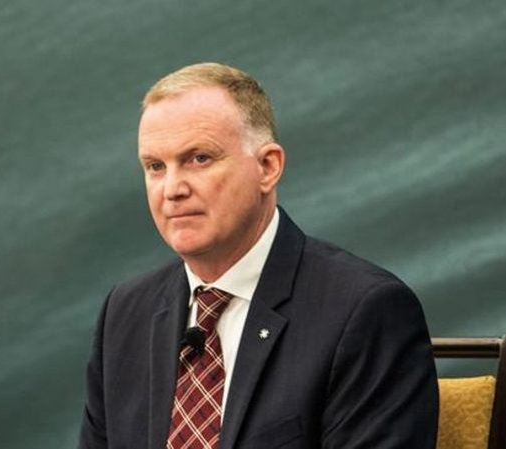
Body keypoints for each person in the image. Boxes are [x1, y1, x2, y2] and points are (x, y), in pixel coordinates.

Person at [78, 62, 438, 449]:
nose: (172, 189)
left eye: (199, 159)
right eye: (155, 167)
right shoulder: (125, 313)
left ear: (267, 167)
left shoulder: (364, 310)